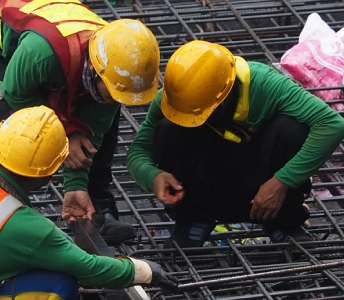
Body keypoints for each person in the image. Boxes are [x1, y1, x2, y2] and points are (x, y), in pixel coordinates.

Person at [0, 0, 161, 244]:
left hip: (49, 50)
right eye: (112, 93)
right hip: (2, 46)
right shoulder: (43, 54)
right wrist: (65, 133)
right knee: (13, 132)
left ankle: (97, 209)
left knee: (102, 117)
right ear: (95, 71)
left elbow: (88, 135)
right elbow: (16, 93)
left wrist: (75, 185)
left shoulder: (119, 66)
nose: (115, 100)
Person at [0, 105, 179, 300]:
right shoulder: (26, 228)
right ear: (48, 173)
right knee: (59, 285)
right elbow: (90, 269)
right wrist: (142, 271)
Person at [127, 40, 344, 248]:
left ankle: (284, 223)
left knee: (293, 129)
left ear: (224, 95)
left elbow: (332, 125)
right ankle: (193, 220)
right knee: (168, 129)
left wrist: (282, 181)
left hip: (260, 185)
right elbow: (138, 152)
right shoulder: (175, 99)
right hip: (205, 184)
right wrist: (152, 176)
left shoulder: (265, 84)